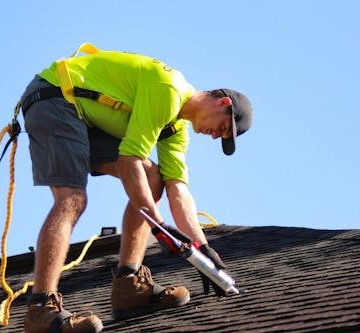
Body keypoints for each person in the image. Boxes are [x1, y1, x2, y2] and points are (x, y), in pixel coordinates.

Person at [20, 43, 252, 333]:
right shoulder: (168, 88)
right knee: (72, 198)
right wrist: (158, 225)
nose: (217, 136)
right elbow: (129, 160)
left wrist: (203, 249)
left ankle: (129, 287)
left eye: (223, 137)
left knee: (153, 177)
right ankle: (41, 309)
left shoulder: (176, 129)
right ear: (223, 104)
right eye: (223, 129)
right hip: (56, 96)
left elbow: (177, 190)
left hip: (86, 116)